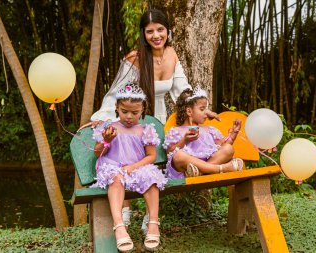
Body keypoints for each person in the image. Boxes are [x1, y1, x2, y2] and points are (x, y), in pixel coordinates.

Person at [88, 8, 219, 233]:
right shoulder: (134, 58)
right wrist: (102, 117)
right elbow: (118, 93)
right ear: (143, 34)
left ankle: (150, 217)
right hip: (133, 117)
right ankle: (124, 213)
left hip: (157, 118)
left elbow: (182, 89)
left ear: (167, 31)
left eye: (160, 29)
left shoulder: (172, 54)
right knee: (124, 159)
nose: (156, 35)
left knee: (154, 163)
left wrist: (200, 109)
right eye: (150, 31)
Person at [91, 83, 167, 252]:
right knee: (116, 178)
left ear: (142, 110)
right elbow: (98, 153)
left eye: (135, 112)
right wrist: (106, 141)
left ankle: (153, 223)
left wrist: (133, 166)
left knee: (151, 177)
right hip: (113, 167)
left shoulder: (145, 129)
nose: (129, 116)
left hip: (136, 168)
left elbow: (151, 156)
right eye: (124, 111)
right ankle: (119, 227)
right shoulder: (109, 128)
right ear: (117, 108)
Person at [163, 87, 244, 179]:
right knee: (178, 156)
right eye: (202, 109)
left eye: (206, 109)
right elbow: (170, 152)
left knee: (229, 148)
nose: (206, 113)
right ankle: (221, 168)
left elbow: (223, 147)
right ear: (189, 111)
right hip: (187, 167)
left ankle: (201, 172)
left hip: (197, 169)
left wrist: (234, 134)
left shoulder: (209, 130)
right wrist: (184, 140)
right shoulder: (177, 131)